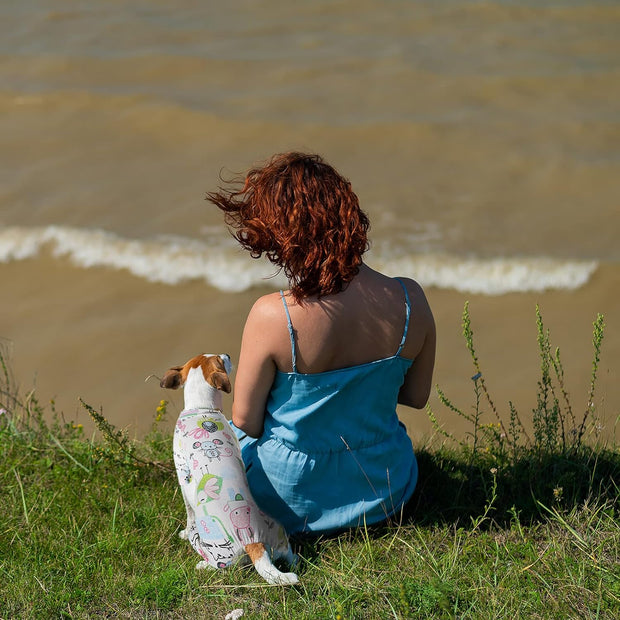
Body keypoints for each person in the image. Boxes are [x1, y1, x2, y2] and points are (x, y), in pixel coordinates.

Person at [207, 152, 435, 536]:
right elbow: (416, 396)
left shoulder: (273, 314)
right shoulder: (410, 299)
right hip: (385, 489)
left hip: (288, 498)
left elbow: (247, 420)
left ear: (284, 236)